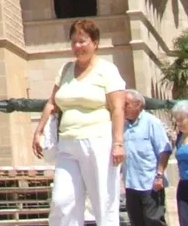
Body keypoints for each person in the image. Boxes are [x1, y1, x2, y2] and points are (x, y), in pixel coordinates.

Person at [32, 18, 127, 226]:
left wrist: (118, 143)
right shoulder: (65, 70)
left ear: (95, 43)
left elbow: (117, 109)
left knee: (103, 201)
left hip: (98, 142)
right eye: (74, 41)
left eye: (82, 41)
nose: (77, 46)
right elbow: (52, 103)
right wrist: (38, 131)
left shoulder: (107, 70)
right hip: (68, 143)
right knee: (62, 202)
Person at [122, 90, 173, 226]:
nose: (123, 108)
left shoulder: (152, 122)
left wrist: (159, 175)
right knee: (136, 221)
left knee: (153, 221)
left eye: (126, 104)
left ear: (138, 104)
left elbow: (164, 150)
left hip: (150, 184)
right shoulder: (123, 126)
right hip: (131, 185)